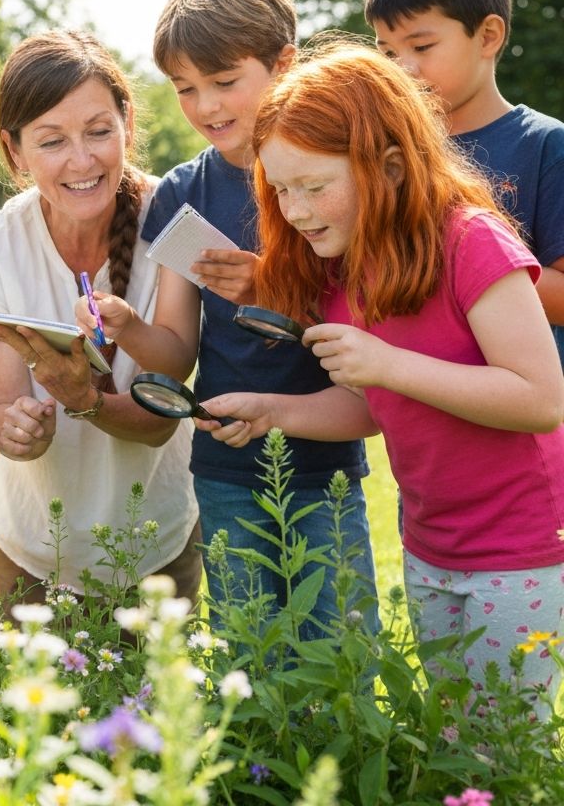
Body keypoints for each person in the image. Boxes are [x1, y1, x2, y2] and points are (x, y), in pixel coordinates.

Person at [200, 43, 564, 711]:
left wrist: (388, 361)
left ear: (389, 167)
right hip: (431, 543)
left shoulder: (472, 241)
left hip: (521, 549)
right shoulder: (349, 265)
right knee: (451, 735)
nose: (298, 210)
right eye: (281, 189)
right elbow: (374, 406)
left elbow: (541, 398)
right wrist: (271, 410)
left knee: (507, 746)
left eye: (314, 186)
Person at [75, 0, 378, 635]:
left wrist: (273, 285)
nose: (205, 105)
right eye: (184, 88)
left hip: (324, 461)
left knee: (342, 647)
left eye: (223, 81)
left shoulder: (334, 178)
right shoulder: (185, 193)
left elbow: (368, 334)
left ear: (284, 64)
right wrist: (128, 327)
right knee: (251, 652)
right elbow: (175, 353)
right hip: (224, 468)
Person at [0, 30, 201, 609]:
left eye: (98, 131)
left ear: (127, 126)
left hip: (156, 539)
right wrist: (17, 431)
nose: (82, 160)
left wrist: (82, 399)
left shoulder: (176, 224)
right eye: (51, 141)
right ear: (14, 152)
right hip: (31, 541)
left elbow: (163, 419)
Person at [364, 0, 564, 367]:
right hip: (421, 406)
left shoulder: (545, 146)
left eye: (421, 46)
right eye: (388, 53)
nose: (404, 69)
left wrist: (464, 260)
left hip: (522, 411)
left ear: (488, 35)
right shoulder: (391, 156)